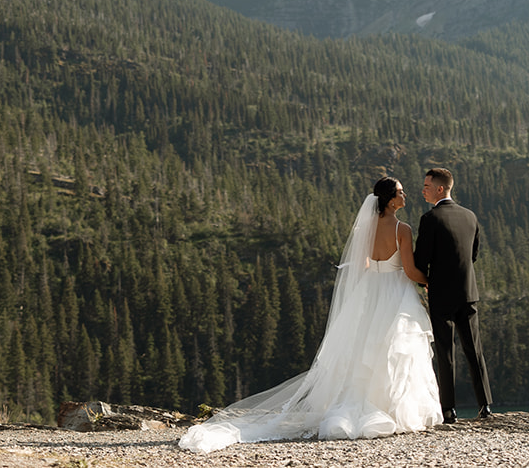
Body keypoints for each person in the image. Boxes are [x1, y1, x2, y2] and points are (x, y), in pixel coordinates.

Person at [178, 177, 442, 452]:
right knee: (395, 349)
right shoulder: (403, 228)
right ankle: (395, 408)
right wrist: (431, 281)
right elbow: (410, 272)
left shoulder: (367, 227)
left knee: (365, 347)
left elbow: (363, 264)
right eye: (400, 192)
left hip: (370, 291)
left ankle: (360, 405)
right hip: (394, 292)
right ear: (390, 200)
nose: (405, 195)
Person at [413, 166, 492, 421]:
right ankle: (485, 405)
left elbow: (420, 260)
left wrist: (426, 281)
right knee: (474, 350)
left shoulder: (430, 219)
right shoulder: (470, 216)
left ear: (439, 188)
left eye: (426, 186)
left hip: (441, 295)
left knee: (446, 351)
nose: (422, 190)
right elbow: (473, 255)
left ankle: (449, 409)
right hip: (468, 292)